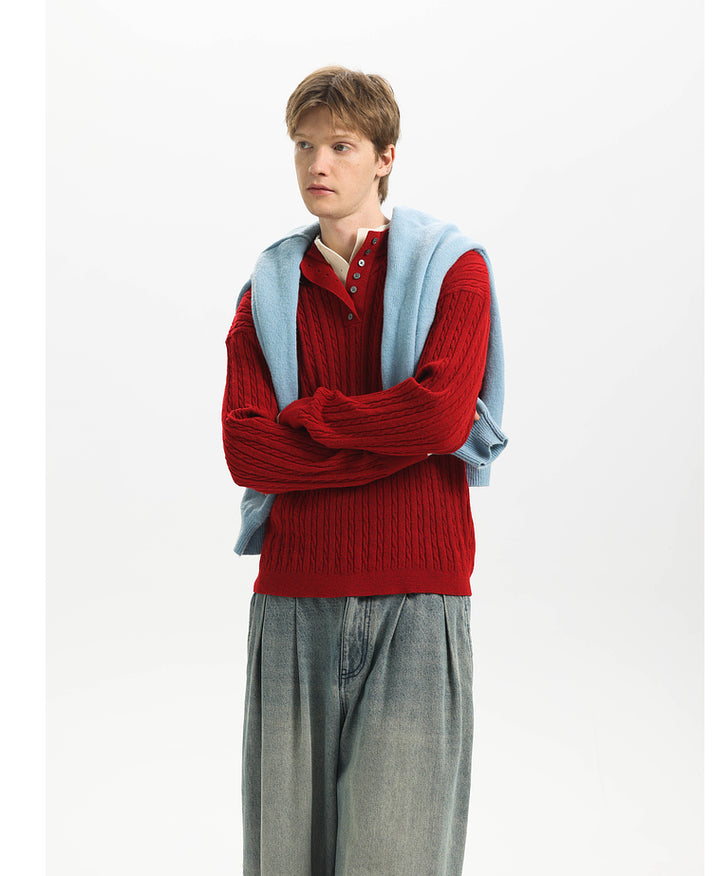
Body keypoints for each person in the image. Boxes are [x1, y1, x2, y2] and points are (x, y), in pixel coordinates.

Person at [222, 65, 508, 876]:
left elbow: (443, 417)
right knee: (283, 861)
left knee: (400, 860)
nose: (318, 164)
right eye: (304, 145)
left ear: (385, 157)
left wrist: (314, 415)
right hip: (292, 602)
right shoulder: (265, 292)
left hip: (418, 602)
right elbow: (248, 450)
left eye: (341, 146)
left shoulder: (455, 270)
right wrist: (396, 433)